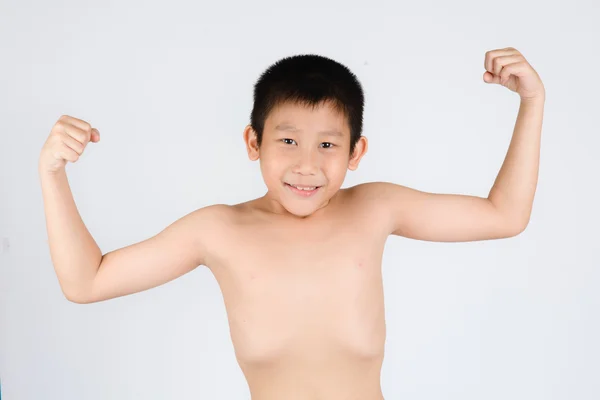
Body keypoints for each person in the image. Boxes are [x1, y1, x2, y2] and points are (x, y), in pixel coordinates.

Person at [38, 47, 545, 400]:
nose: (307, 164)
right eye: (287, 140)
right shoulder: (217, 231)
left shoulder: (374, 208)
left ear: (356, 152)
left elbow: (504, 215)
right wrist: (52, 173)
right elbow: (87, 281)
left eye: (327, 144)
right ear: (253, 142)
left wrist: (532, 102)